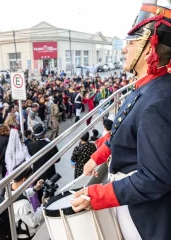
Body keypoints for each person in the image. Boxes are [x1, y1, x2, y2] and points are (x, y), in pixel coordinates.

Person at [71, 3, 171, 239]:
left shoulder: (159, 100)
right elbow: (126, 133)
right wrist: (98, 156)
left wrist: (96, 195)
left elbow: (154, 179)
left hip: (143, 214)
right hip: (130, 198)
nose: (124, 49)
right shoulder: (147, 87)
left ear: (149, 48)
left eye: (131, 42)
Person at [6, 162, 47, 239]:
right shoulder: (23, 204)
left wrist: (34, 189)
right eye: (29, 179)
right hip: (25, 236)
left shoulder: (9, 187)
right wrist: (43, 207)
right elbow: (33, 222)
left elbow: (23, 194)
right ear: (24, 180)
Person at [28, 124, 60, 202]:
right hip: (50, 174)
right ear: (44, 133)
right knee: (50, 197)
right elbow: (57, 159)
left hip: (37, 175)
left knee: (39, 195)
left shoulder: (30, 146)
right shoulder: (49, 144)